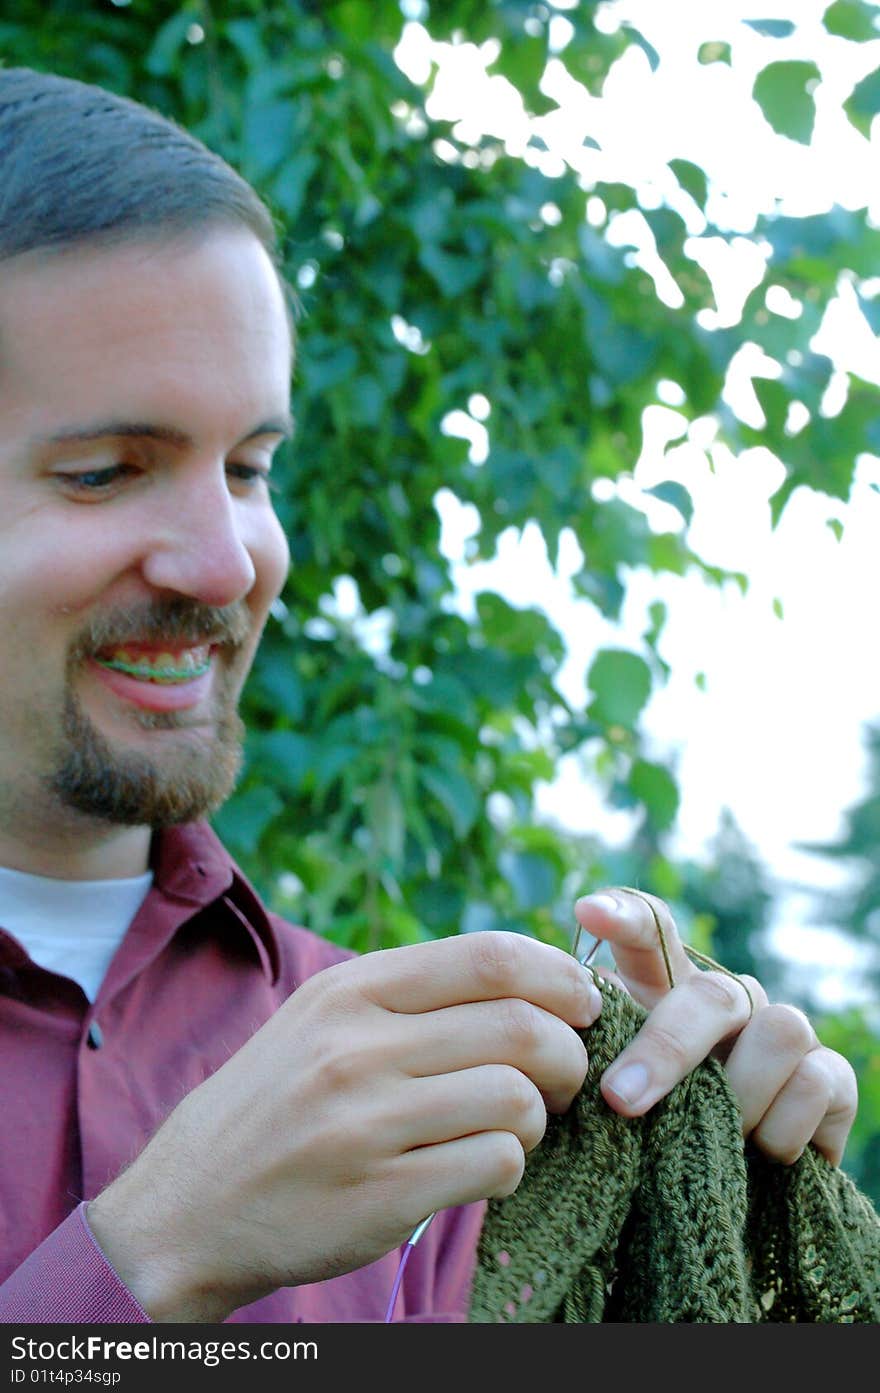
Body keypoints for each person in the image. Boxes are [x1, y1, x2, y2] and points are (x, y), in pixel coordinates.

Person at [0, 68, 859, 1325]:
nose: (228, 562)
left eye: (250, 467)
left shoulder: (424, 1083)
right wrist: (145, 1261)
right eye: (103, 473)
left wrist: (728, 1205)